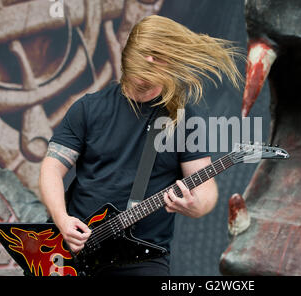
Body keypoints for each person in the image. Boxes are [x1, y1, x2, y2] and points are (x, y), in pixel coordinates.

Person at [38, 15, 243, 276]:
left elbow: (205, 187)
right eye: (144, 55)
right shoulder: (89, 108)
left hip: (142, 255)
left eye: (158, 57)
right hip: (75, 248)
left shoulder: (183, 118)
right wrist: (62, 220)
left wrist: (196, 205)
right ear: (129, 56)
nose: (148, 63)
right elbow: (51, 168)